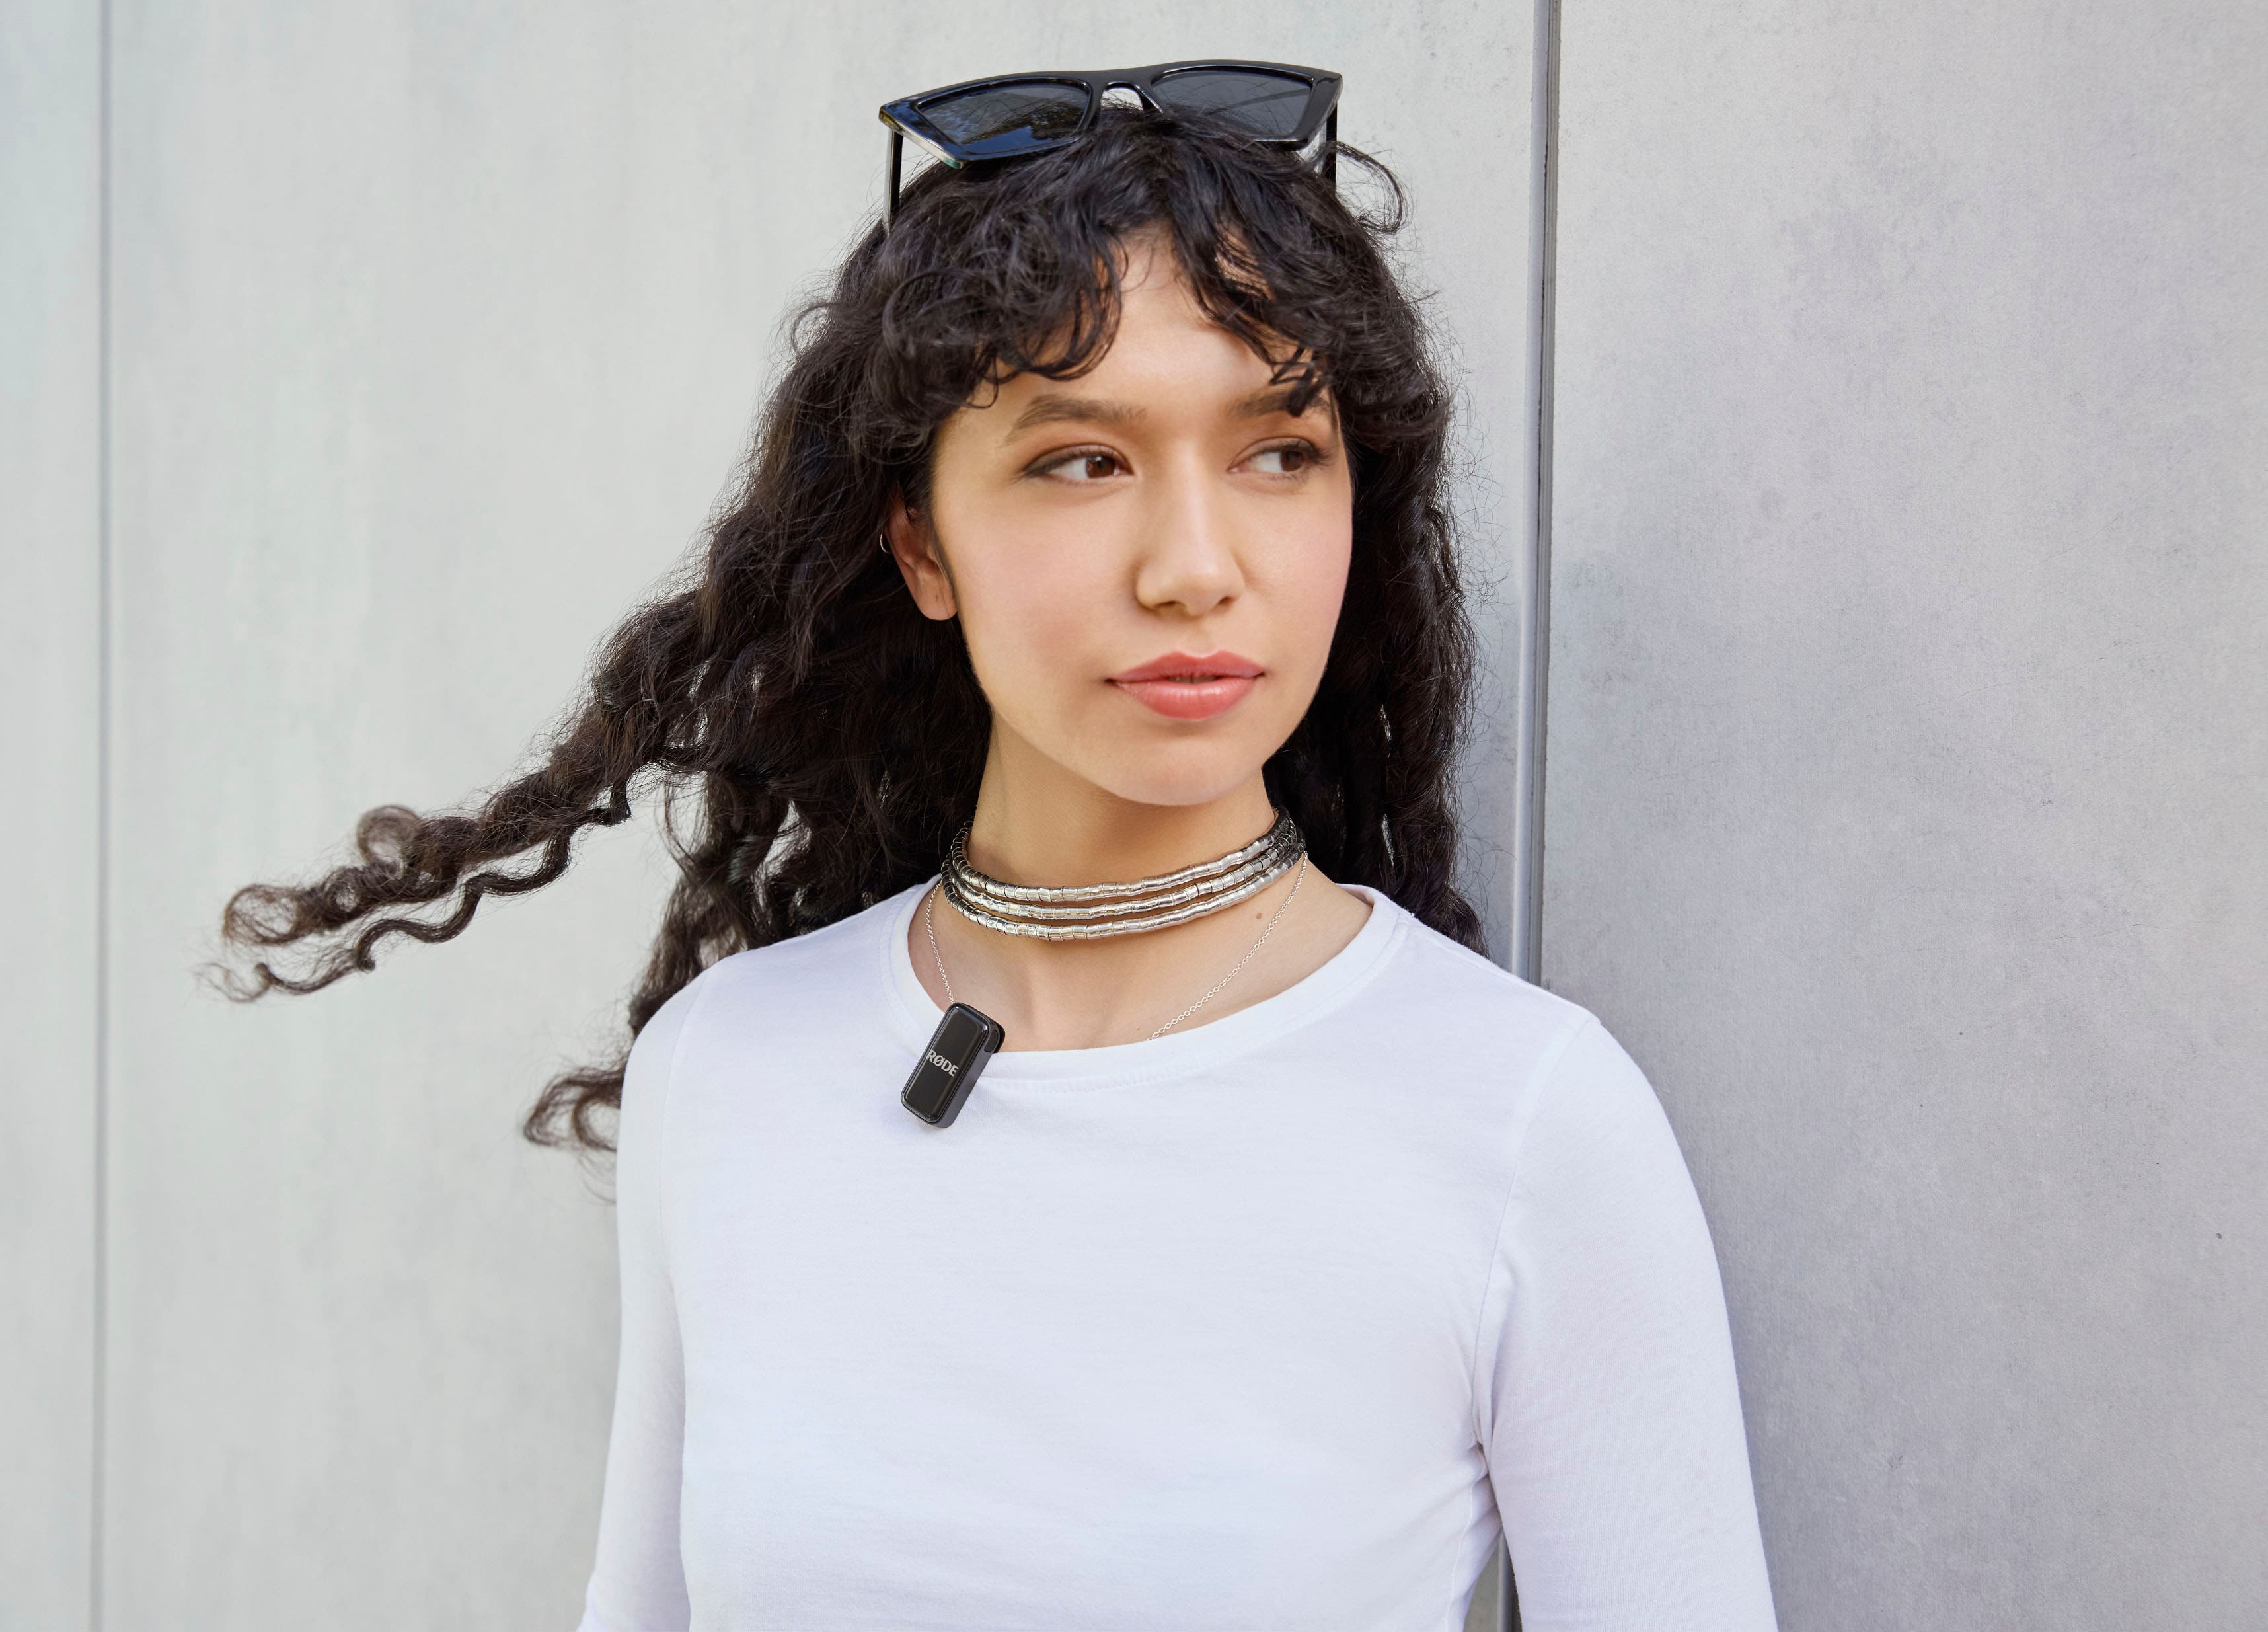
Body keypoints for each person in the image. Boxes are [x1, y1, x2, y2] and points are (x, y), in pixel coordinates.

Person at [217, 65, 1778, 1632]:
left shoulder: (1523, 1118)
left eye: (1278, 451)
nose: (1193, 566)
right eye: (1082, 459)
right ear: (921, 541)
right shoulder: (732, 1066)